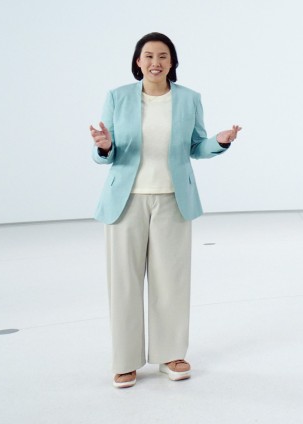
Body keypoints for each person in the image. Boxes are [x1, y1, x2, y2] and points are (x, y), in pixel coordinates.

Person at [89, 32, 241, 388]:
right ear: (137, 61)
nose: (155, 62)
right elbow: (104, 152)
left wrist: (218, 142)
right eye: (148, 56)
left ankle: (171, 353)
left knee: (171, 281)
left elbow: (196, 147)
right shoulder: (117, 97)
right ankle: (125, 360)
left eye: (163, 56)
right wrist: (105, 145)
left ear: (172, 63)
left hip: (173, 199)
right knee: (123, 283)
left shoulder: (189, 99)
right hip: (126, 202)